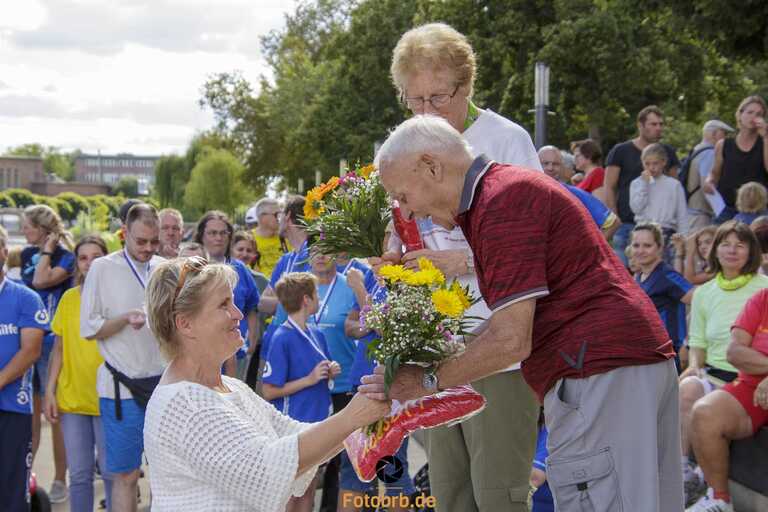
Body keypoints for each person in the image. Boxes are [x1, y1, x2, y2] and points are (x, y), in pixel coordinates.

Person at [365, 115, 683, 511]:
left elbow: (511, 339)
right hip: (620, 366)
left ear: (432, 166)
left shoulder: (500, 201)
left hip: (598, 370)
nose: (408, 214)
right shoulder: (502, 193)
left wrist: (425, 381)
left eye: (404, 196)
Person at [387, 23, 541, 512]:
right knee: (449, 494)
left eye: (439, 97)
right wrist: (390, 259)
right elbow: (400, 230)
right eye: (415, 100)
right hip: (437, 343)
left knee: (498, 495)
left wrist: (458, 260)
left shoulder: (508, 141)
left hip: (501, 348)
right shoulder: (401, 145)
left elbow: (537, 245)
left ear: (467, 86)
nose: (427, 112)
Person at [142, 257, 389, 511]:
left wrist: (367, 413)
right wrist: (353, 417)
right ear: (185, 323)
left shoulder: (229, 387)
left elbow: (294, 434)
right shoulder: (186, 405)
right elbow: (266, 469)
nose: (238, 313)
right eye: (223, 305)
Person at [80, 203, 166, 512]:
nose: (147, 248)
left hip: (163, 385)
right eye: (140, 241)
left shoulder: (163, 268)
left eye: (153, 242)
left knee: (166, 475)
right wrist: (123, 320)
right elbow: (88, 328)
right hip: (122, 387)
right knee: (126, 475)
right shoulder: (102, 268)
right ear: (124, 233)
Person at [678, 221, 768, 506]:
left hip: (753, 375)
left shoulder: (762, 284)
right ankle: (706, 490)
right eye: (726, 244)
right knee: (692, 395)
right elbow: (724, 349)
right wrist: (693, 365)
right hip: (738, 376)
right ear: (715, 251)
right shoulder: (758, 297)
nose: (732, 251)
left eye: (740, 245)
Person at [44, 235, 114, 512]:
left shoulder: (118, 298)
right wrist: (49, 390)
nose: (89, 263)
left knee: (111, 472)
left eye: (95, 257)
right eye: (83, 258)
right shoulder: (69, 299)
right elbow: (58, 349)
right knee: (80, 475)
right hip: (72, 398)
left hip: (109, 398)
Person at [261, 272, 341, 512]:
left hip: (316, 421)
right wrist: (309, 379)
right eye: (316, 295)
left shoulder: (316, 334)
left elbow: (321, 372)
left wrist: (331, 370)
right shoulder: (281, 337)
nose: (319, 299)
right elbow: (269, 390)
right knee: (290, 493)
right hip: (293, 424)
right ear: (306, 300)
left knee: (308, 489)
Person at [686, 288, 768, 512]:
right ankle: (719, 499)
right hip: (752, 385)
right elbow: (734, 352)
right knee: (705, 412)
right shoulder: (762, 298)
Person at [21, 204, 74, 504]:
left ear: (42, 229)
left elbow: (41, 281)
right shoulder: (27, 253)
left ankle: (59, 478)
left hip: (53, 344)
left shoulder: (66, 257)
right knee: (30, 412)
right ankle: (25, 474)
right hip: (28, 341)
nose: (24, 231)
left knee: (54, 414)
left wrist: (48, 250)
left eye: (28, 226)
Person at [0, 225, 47, 512]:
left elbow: (31, 350)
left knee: (12, 490)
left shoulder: (26, 298)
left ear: (4, 252)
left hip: (12, 410)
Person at [605, 105, 681, 265]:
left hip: (658, 226)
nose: (658, 128)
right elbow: (609, 186)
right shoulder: (621, 150)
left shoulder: (667, 151)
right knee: (624, 272)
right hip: (626, 222)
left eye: (661, 124)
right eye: (653, 124)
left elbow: (675, 186)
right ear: (640, 125)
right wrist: (614, 216)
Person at [195, 211, 261, 379]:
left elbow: (252, 308)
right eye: (212, 233)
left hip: (236, 352)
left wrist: (252, 341)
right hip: (201, 353)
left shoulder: (240, 269)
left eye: (223, 233)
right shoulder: (193, 267)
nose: (218, 238)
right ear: (202, 236)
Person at [631, 223, 694, 366]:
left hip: (669, 355)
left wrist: (688, 342)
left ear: (660, 248)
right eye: (636, 245)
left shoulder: (667, 274)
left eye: (647, 246)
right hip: (648, 354)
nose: (640, 250)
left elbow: (700, 300)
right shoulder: (639, 275)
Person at [258, 196, 310, 368]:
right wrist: (287, 301)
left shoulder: (313, 256)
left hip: (297, 347)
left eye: (279, 214)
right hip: (274, 343)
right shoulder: (285, 259)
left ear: (287, 217)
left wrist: (281, 301)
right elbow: (262, 303)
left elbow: (307, 303)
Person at [704, 95, 768, 223]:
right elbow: (715, 173)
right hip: (728, 209)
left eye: (759, 114)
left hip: (758, 211)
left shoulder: (765, 142)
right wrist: (709, 181)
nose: (754, 117)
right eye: (750, 112)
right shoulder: (723, 144)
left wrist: (766, 137)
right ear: (740, 114)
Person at [629, 143, 689, 262]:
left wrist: (683, 238)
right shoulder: (637, 184)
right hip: (642, 231)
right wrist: (644, 185)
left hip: (666, 232)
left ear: (663, 162)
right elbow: (636, 208)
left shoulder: (674, 185)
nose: (651, 168)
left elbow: (682, 214)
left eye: (655, 163)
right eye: (647, 164)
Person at [685, 120, 735, 230]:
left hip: (692, 211)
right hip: (702, 215)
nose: (725, 138)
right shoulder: (710, 153)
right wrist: (722, 213)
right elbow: (708, 188)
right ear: (714, 134)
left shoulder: (697, 149)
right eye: (724, 133)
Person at [251, 198, 287, 279]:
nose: (279, 218)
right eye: (276, 214)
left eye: (281, 214)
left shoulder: (286, 238)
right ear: (262, 217)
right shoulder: (249, 239)